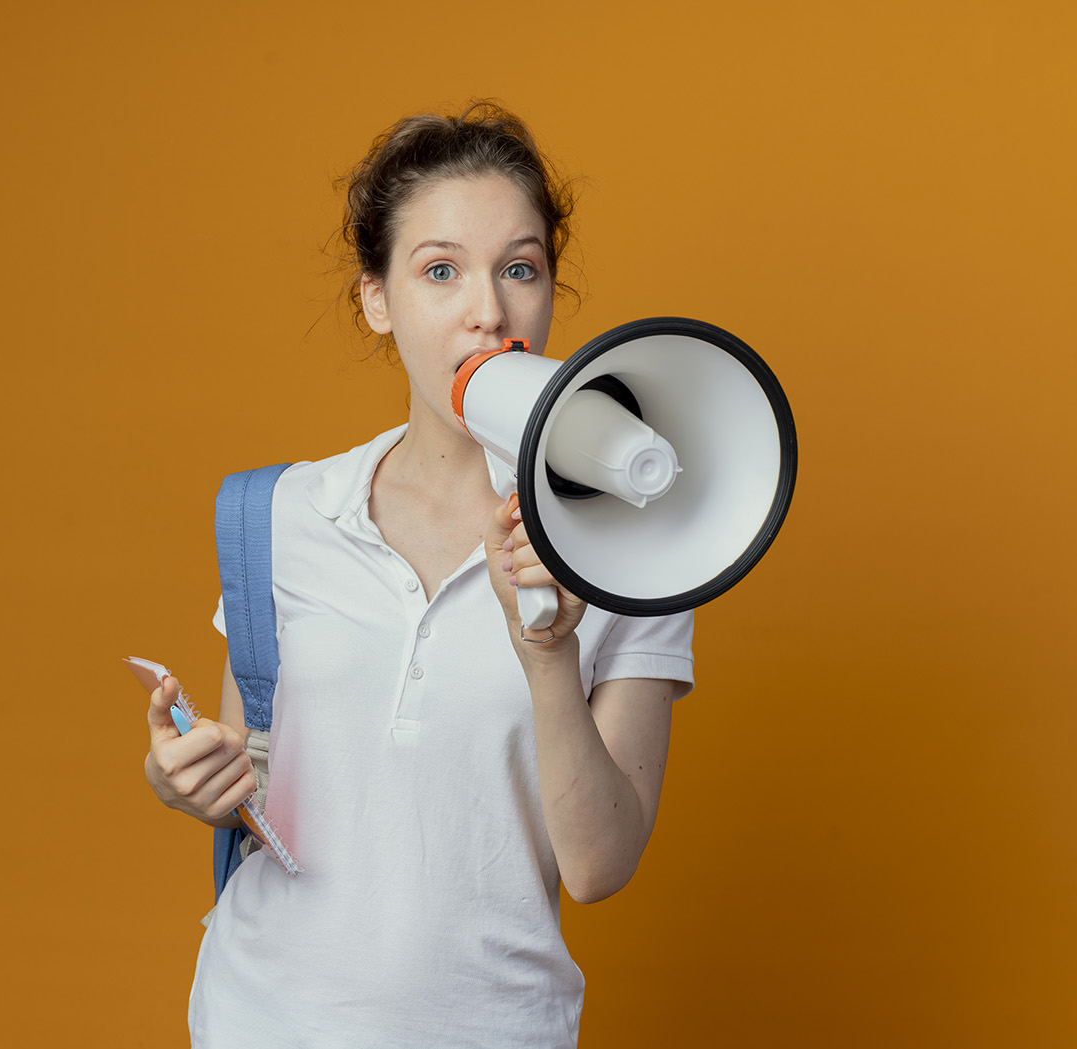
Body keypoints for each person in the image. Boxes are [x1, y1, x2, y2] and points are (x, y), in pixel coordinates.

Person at [143, 101, 694, 1047]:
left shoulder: (638, 547)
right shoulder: (281, 515)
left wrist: (548, 654)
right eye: (441, 270)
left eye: (519, 267)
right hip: (257, 1018)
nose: (489, 310)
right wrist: (187, 780)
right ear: (377, 299)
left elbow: (599, 866)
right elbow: (255, 771)